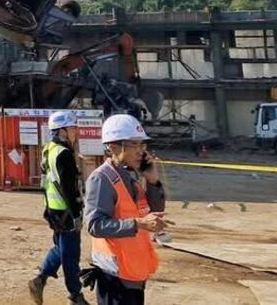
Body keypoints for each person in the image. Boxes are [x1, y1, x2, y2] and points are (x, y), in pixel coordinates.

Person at [82, 114, 171, 305]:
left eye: (142, 145)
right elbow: (94, 225)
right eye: (134, 145)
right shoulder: (102, 179)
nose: (140, 151)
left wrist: (153, 180)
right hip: (114, 276)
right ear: (114, 146)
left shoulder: (131, 177)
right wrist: (138, 224)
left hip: (133, 271)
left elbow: (151, 211)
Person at [29, 111, 88, 305]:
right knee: (71, 255)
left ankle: (39, 279)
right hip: (66, 212)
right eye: (73, 128)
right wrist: (77, 214)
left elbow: (46, 182)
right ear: (62, 131)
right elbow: (68, 188)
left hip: (54, 210)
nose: (76, 131)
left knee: (60, 248)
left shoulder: (49, 149)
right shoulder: (64, 154)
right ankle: (75, 296)